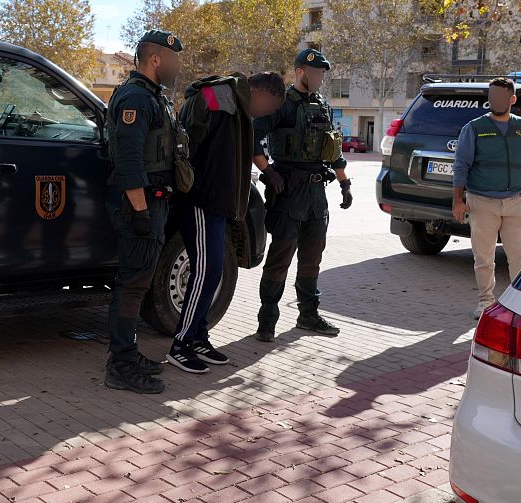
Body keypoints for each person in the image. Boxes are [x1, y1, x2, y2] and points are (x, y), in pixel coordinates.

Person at [165, 72, 285, 373]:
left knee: (214, 272)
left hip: (217, 204)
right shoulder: (219, 99)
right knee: (207, 272)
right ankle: (180, 344)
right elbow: (188, 147)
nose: (265, 114)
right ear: (258, 92)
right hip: (201, 201)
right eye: (268, 107)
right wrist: (197, 189)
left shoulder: (238, 107)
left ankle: (198, 338)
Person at [251, 48, 351, 343]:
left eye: (322, 74)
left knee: (312, 258)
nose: (320, 78)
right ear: (300, 73)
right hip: (288, 191)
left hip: (316, 194)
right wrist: (269, 172)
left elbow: (334, 150)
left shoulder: (322, 106)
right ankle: (266, 320)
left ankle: (308, 314)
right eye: (316, 73)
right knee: (280, 257)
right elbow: (253, 139)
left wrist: (345, 184)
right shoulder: (282, 105)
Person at [105, 30, 182, 394]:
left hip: (154, 201)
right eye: (173, 59)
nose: (177, 66)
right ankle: (120, 365)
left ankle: (128, 353)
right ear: (155, 59)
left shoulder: (154, 97)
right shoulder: (136, 97)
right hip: (140, 202)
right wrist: (139, 210)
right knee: (132, 283)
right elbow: (129, 159)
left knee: (138, 281)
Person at [451, 77, 521, 320]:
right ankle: (486, 301)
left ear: (512, 99)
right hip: (482, 201)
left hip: (516, 202)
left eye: (502, 96)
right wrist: (458, 201)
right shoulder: (474, 128)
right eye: (492, 96)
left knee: (520, 258)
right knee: (484, 257)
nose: (496, 100)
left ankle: (518, 303)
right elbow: (461, 166)